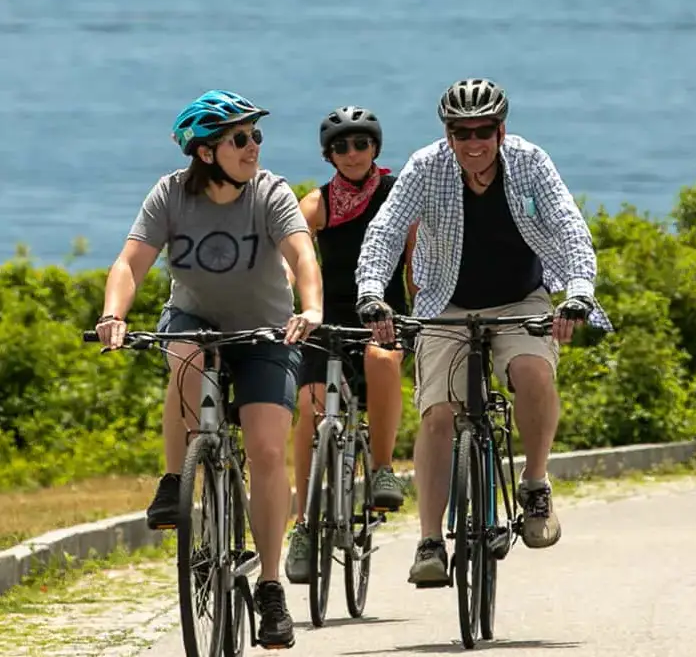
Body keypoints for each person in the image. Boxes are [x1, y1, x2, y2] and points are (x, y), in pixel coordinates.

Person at [355, 78, 612, 587]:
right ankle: (430, 540)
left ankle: (535, 485)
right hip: (445, 302)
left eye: (483, 131)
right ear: (447, 134)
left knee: (533, 372)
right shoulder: (426, 166)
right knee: (438, 415)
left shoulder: (531, 161)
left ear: (501, 130)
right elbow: (385, 231)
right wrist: (371, 291)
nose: (473, 142)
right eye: (461, 132)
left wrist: (578, 292)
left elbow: (569, 226)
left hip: (521, 299)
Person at [94, 90, 323, 649]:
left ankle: (270, 587)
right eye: (240, 139)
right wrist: (112, 315)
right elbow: (130, 261)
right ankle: (177, 479)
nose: (254, 147)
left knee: (268, 449)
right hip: (195, 319)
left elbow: (300, 254)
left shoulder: (269, 192)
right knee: (184, 351)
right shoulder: (169, 196)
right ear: (205, 153)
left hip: (265, 330)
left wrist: (311, 307)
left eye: (256, 136)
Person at [284, 106, 417, 585]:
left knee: (382, 360)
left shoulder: (399, 195)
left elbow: (414, 264)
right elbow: (291, 259)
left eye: (361, 143)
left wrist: (421, 318)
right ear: (328, 155)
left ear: (375, 147)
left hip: (384, 315)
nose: (352, 153)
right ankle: (302, 525)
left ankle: (383, 469)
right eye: (341, 146)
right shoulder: (313, 204)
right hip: (326, 318)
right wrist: (289, 304)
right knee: (310, 404)